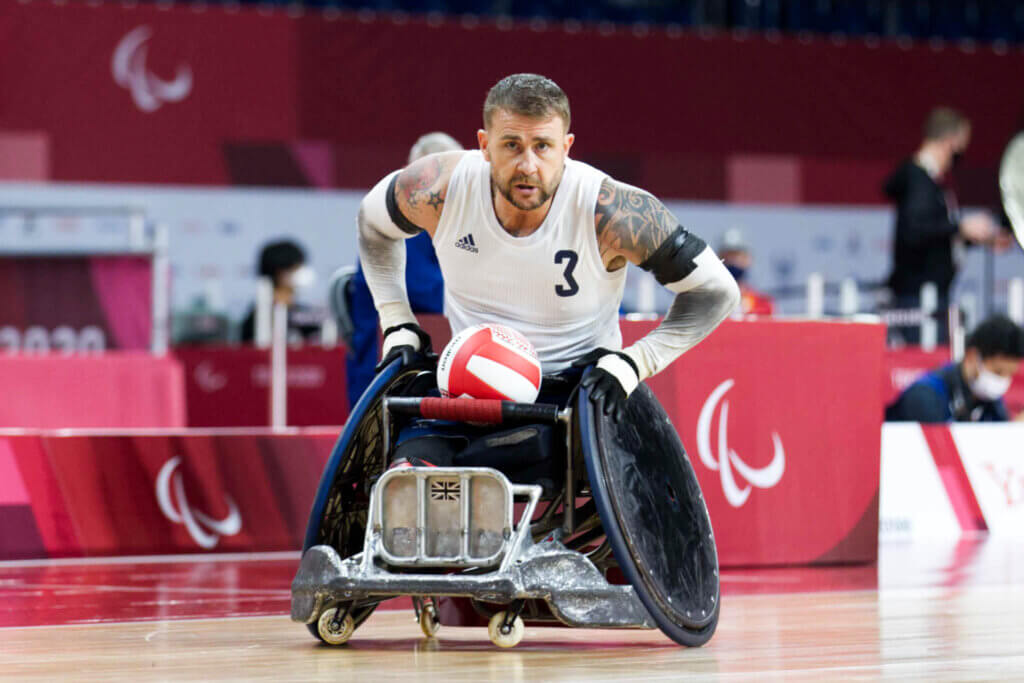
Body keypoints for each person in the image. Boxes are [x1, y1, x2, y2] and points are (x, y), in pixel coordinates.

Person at [356, 73, 739, 470]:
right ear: (484, 146)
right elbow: (372, 223)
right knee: (405, 478)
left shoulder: (611, 210)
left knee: (511, 460)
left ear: (566, 147)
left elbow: (716, 290)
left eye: (543, 147)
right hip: (467, 384)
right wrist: (397, 321)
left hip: (576, 391)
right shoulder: (442, 186)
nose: (528, 165)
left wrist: (637, 361)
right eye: (511, 145)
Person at [345, 133, 462, 408]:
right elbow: (437, 296)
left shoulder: (442, 228)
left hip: (429, 374)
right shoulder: (399, 229)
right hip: (387, 381)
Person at [884, 107, 1000, 343]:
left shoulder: (930, 181)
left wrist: (973, 238)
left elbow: (933, 235)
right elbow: (915, 229)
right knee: (924, 367)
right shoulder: (919, 180)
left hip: (931, 295)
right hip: (920, 297)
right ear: (949, 141)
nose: (962, 153)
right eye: (961, 145)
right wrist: (960, 227)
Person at [885, 315, 1024, 422]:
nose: (1002, 381)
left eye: (1009, 374)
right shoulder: (925, 396)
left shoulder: (992, 402)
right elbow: (938, 452)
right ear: (972, 357)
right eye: (998, 372)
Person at [239, 239, 321, 343]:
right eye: (297, 268)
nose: (302, 273)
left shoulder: (305, 316)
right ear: (280, 273)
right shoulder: (257, 318)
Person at [718, 228, 773, 316]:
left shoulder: (763, 304)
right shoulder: (710, 301)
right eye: (728, 255)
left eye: (737, 255)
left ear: (748, 259)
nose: (733, 260)